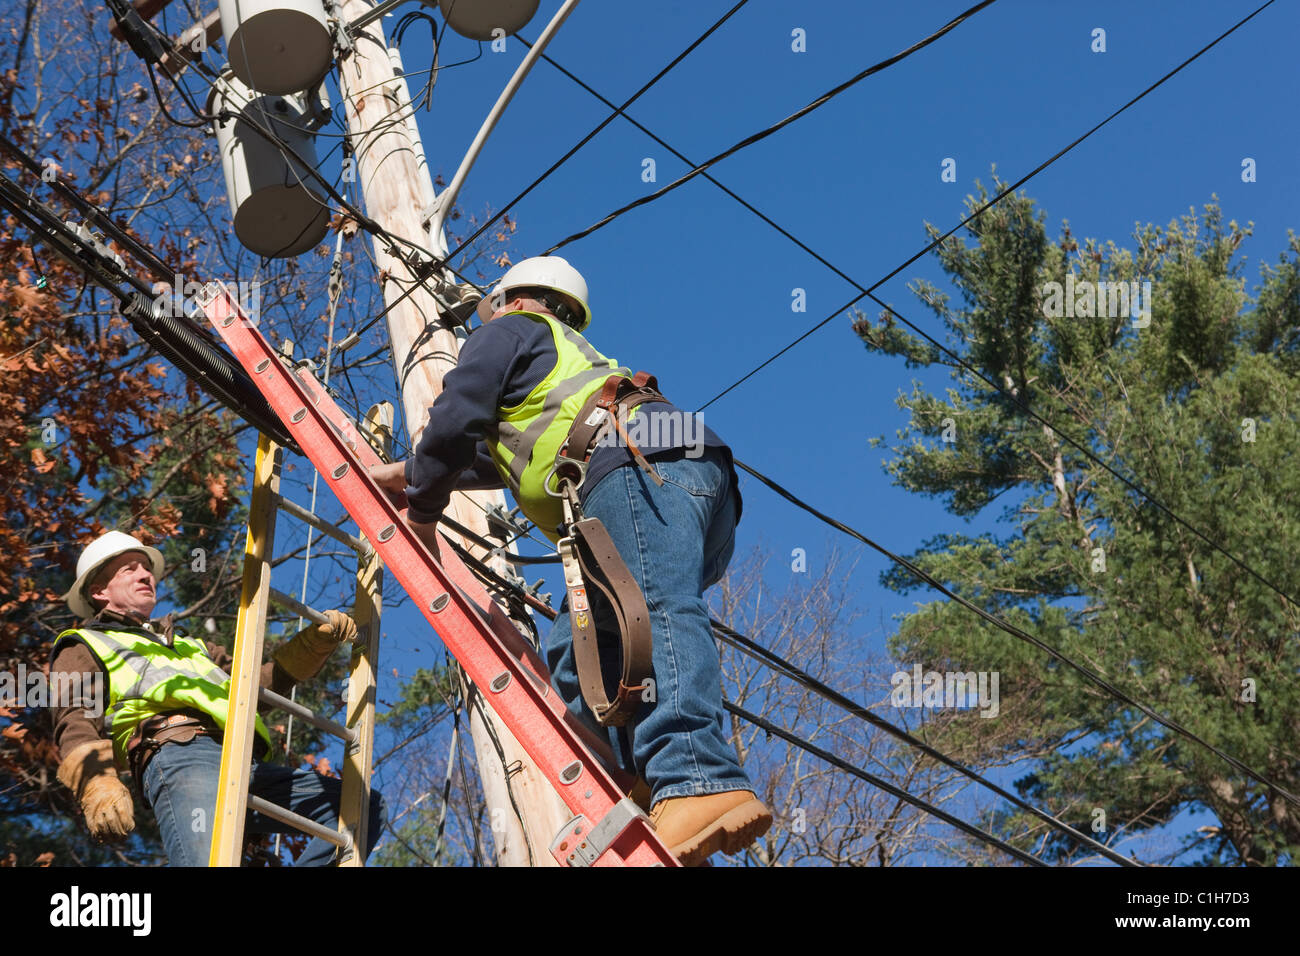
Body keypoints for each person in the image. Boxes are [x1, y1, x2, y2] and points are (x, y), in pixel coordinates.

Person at [370, 256, 771, 865]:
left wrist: (422, 510)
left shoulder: (507, 330)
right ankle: (641, 786)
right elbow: (496, 454)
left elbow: (455, 417)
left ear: (514, 299)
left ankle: (697, 778)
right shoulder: (558, 362)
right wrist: (415, 472)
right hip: (675, 478)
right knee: (574, 648)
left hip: (634, 466)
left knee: (653, 608)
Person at [51, 530, 385, 866]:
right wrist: (96, 780)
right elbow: (74, 718)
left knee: (362, 807)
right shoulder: (83, 643)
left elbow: (255, 689)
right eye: (129, 569)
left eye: (146, 567)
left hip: (243, 760)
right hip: (180, 756)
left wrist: (312, 646)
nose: (145, 574)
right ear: (98, 591)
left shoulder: (192, 647)